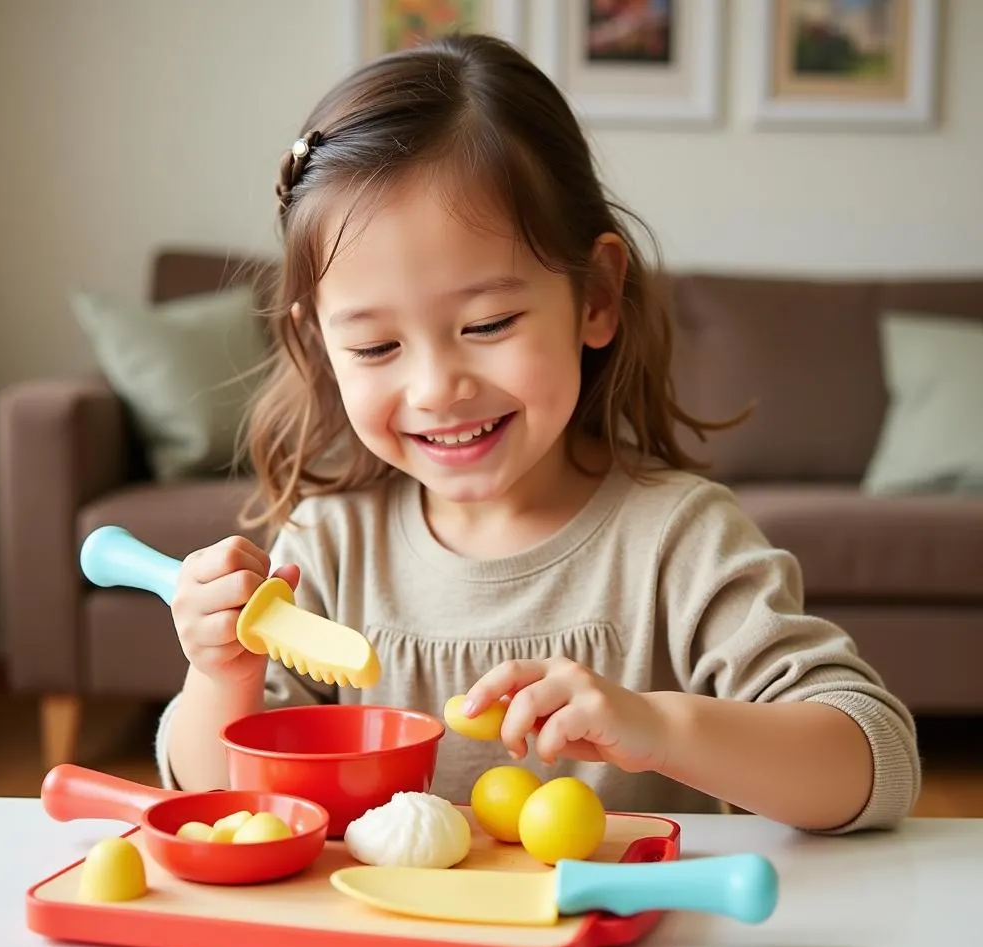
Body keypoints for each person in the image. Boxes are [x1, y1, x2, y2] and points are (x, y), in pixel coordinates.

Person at [156, 33, 920, 834]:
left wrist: (661, 728)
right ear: (320, 344)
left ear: (595, 296)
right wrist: (222, 678)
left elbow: (873, 761)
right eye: (377, 346)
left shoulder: (678, 543)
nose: (436, 388)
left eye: (487, 323)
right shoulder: (327, 551)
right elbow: (220, 804)